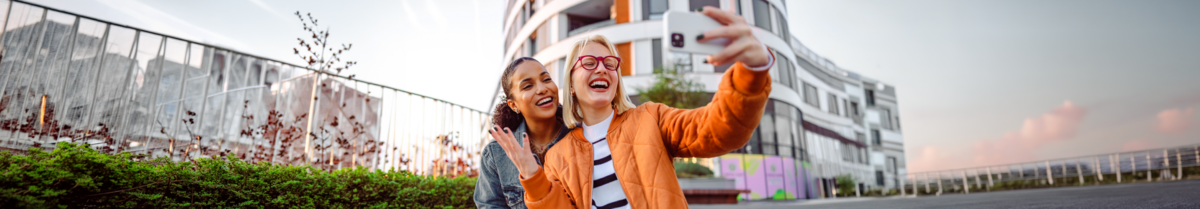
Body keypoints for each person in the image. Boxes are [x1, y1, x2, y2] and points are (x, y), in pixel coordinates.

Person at [489, 7, 774, 209]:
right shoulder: (558, 155)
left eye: (609, 63)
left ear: (616, 78)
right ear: (572, 84)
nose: (601, 69)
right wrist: (533, 178)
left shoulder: (651, 117)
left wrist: (753, 70)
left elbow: (717, 129)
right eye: (589, 63)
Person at [476, 57, 574, 209]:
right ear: (513, 105)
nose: (542, 89)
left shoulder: (582, 136)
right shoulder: (495, 155)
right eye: (528, 86)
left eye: (546, 79)